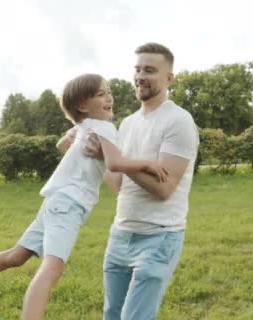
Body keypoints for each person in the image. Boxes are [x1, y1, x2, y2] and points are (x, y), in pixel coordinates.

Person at [0, 73, 168, 320]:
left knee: (16, 256)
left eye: (108, 91)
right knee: (52, 267)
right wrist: (146, 164)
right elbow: (116, 164)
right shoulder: (104, 127)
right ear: (83, 106)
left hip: (56, 202)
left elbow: (61, 145)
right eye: (100, 94)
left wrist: (77, 136)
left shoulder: (86, 126)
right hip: (68, 205)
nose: (109, 97)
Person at [79, 43, 199, 319]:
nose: (140, 76)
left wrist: (120, 162)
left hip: (159, 237)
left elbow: (164, 188)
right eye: (137, 69)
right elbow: (120, 186)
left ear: (169, 78)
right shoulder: (129, 123)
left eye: (150, 70)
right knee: (112, 315)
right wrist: (103, 158)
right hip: (121, 234)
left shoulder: (178, 121)